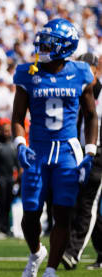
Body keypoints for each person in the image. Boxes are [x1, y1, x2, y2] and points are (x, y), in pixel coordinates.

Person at [12, 18, 98, 277]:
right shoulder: (28, 72)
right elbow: (17, 117)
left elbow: (92, 115)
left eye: (50, 42)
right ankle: (37, 251)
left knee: (62, 212)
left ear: (65, 46)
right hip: (36, 150)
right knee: (30, 214)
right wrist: (19, 143)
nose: (43, 45)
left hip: (67, 153)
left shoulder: (81, 72)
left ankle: (50, 270)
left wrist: (90, 151)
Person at [62, 52, 102, 269]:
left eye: (87, 68)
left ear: (96, 69)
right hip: (79, 153)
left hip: (97, 153)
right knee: (84, 203)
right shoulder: (76, 92)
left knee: (88, 202)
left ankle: (73, 251)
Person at [0, 118, 20, 238]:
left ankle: (6, 228)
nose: (6, 132)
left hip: (10, 180)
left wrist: (19, 178)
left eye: (8, 130)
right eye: (4, 130)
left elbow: (18, 164)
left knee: (8, 204)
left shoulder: (13, 145)